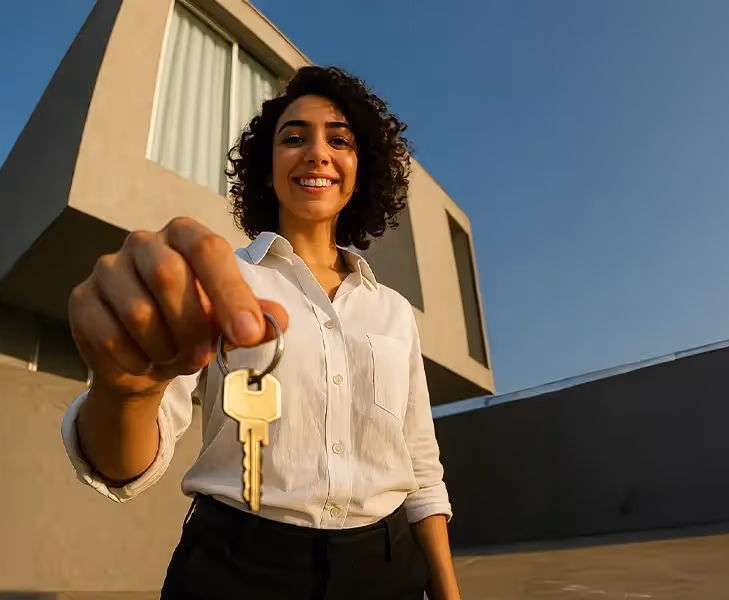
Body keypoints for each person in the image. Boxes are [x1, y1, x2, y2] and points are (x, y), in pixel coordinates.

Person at [62, 65, 462, 600]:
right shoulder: (215, 282)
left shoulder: (393, 311)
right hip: (236, 569)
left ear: (359, 169)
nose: (316, 153)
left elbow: (422, 470)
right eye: (293, 138)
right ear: (267, 170)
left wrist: (448, 593)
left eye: (338, 140)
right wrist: (126, 390)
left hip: (386, 571)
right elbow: (121, 466)